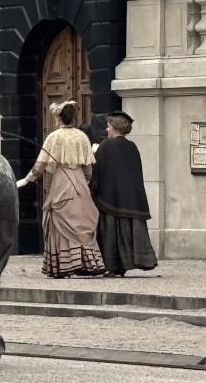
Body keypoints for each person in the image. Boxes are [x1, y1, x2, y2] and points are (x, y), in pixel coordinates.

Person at [16, 101, 106, 278]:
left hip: (61, 181)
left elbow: (40, 165)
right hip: (80, 181)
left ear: (58, 118)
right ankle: (87, 262)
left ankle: (64, 264)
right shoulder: (82, 136)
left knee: (59, 219)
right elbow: (88, 168)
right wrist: (84, 183)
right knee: (81, 219)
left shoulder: (54, 137)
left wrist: (27, 180)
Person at [91, 111, 158, 277]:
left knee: (111, 233)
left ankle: (113, 266)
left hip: (111, 199)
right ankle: (126, 264)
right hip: (131, 199)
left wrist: (93, 191)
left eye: (108, 126)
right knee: (127, 231)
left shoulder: (105, 146)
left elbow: (96, 173)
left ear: (114, 128)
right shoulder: (132, 147)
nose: (107, 129)